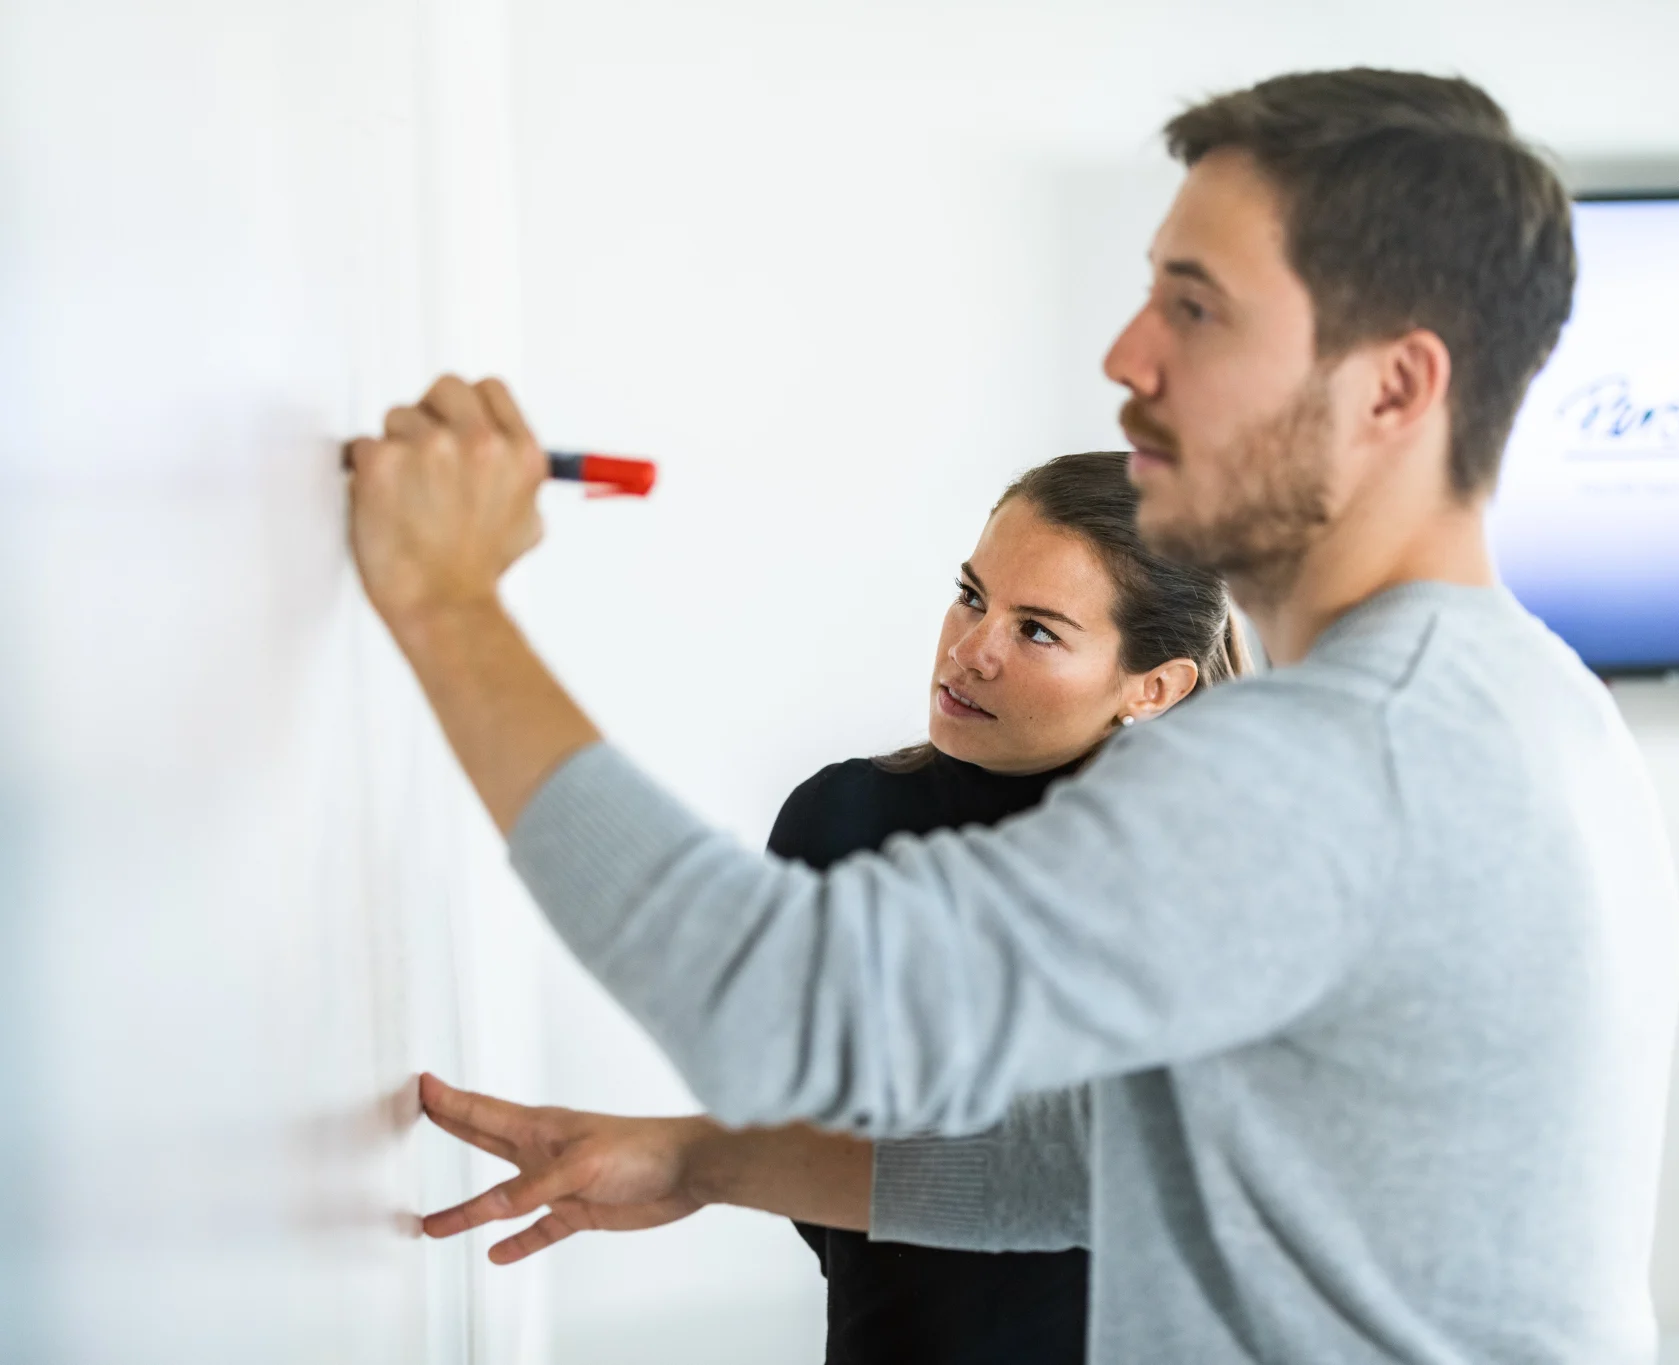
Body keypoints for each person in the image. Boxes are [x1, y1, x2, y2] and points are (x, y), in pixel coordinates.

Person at [347, 67, 1679, 1365]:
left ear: (1392, 388)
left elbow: (774, 1005)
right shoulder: (1529, 701)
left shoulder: (1334, 758)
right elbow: (1107, 1161)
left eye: (1196, 308)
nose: (1126, 355)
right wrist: (704, 1159)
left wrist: (445, 602)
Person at [416, 451, 1242, 1364]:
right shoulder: (841, 814)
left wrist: (444, 602)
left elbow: (1110, 1177)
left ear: (1152, 687)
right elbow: (828, 1124)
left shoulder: (1197, 884)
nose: (973, 650)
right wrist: (702, 1161)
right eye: (972, 595)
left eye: (1038, 631)